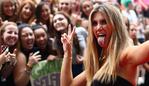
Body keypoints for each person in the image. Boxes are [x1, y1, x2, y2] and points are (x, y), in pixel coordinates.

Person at [60, 3, 149, 86]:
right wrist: (68, 53)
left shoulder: (125, 54)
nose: (98, 27)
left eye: (104, 22)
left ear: (116, 25)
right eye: (94, 23)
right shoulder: (100, 61)